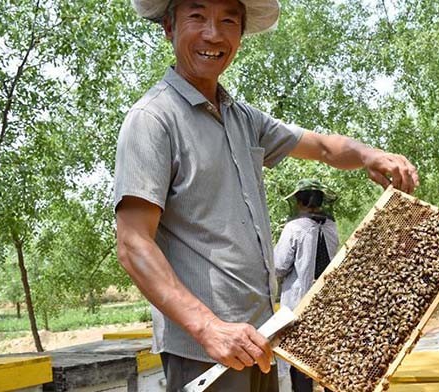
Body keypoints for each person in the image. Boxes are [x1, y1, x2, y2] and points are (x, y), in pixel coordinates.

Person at [114, 0, 419, 390]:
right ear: (169, 28)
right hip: (204, 352)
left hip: (259, 338)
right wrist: (208, 327)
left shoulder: (242, 118)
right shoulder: (153, 120)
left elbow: (323, 147)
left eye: (228, 20)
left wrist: (369, 155)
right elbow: (133, 243)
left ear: (240, 35)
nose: (213, 33)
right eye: (197, 16)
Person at [274, 179, 338, 392]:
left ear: (299, 201)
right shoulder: (331, 226)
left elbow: (279, 266)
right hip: (329, 300)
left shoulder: (294, 227)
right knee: (332, 356)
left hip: (299, 304)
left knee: (300, 358)